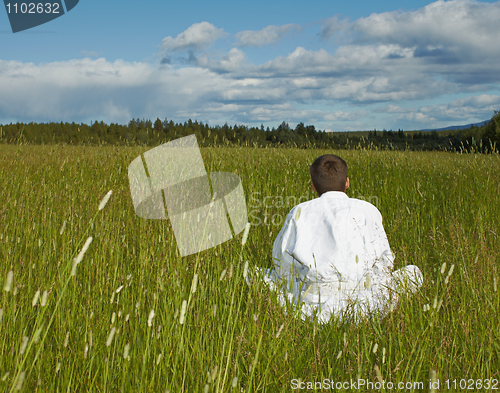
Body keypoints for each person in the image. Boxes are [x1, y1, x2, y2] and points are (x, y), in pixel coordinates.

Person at [254, 154, 423, 324]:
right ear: (347, 182)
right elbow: (385, 259)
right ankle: (358, 310)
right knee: (412, 273)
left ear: (313, 186)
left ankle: (320, 311)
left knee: (256, 274)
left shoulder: (300, 211)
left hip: (314, 298)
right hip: (364, 298)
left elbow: (281, 260)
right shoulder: (369, 209)